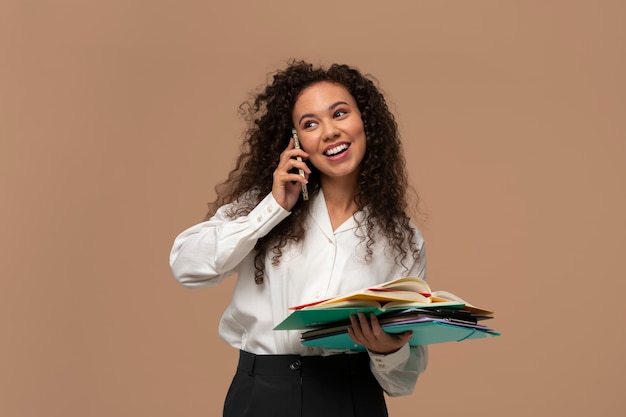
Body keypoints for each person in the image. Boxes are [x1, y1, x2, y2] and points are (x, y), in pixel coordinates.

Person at [169, 60, 427, 417]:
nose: (329, 132)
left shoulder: (403, 239)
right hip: (262, 396)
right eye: (310, 124)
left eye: (340, 114)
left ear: (365, 121)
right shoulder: (264, 205)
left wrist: (388, 350)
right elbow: (185, 267)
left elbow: (403, 382)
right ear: (295, 141)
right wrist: (271, 209)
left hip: (352, 398)